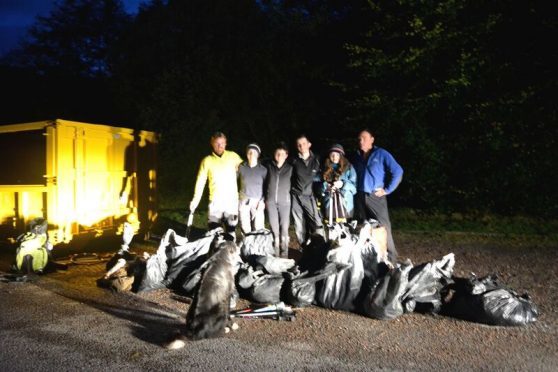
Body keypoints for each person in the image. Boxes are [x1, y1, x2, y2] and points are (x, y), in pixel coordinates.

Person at [351, 129, 403, 262]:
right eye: (359, 139)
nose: (360, 141)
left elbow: (398, 171)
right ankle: (369, 259)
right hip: (359, 196)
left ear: (372, 139)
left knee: (383, 226)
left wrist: (387, 190)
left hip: (375, 196)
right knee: (364, 227)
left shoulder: (381, 154)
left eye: (363, 138)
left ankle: (391, 259)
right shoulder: (356, 155)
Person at [189, 132, 243, 240]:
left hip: (231, 203)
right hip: (215, 203)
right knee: (215, 233)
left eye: (222, 143)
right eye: (217, 143)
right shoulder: (207, 161)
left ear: (226, 143)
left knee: (231, 232)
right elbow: (200, 182)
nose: (220, 146)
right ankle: (215, 255)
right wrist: (195, 201)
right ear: (212, 143)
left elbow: (246, 174)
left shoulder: (233, 156)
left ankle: (231, 254)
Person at [290, 135, 324, 247]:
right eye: (299, 145)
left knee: (316, 222)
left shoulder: (317, 160)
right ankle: (303, 247)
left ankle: (320, 245)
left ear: (309, 145)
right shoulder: (294, 160)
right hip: (295, 196)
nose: (301, 146)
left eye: (304, 143)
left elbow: (322, 176)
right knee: (298, 223)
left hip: (310, 196)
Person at [265, 142, 293, 257]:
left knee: (284, 226)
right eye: (277, 153)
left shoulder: (291, 168)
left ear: (286, 155)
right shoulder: (269, 167)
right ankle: (275, 249)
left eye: (282, 154)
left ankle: (285, 250)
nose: (279, 156)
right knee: (274, 226)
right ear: (274, 154)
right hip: (271, 202)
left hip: (285, 202)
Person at [321, 144, 357, 224]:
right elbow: (319, 188)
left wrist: (343, 184)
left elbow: (354, 189)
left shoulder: (349, 167)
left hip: (345, 206)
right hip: (329, 206)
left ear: (341, 155)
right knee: (331, 231)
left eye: (337, 154)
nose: (334, 157)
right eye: (332, 155)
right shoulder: (325, 167)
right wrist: (327, 187)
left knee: (345, 232)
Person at [238, 143, 267, 234]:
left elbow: (267, 187)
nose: (251, 155)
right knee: (244, 226)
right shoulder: (241, 167)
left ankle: (258, 245)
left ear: (258, 155)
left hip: (258, 201)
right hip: (244, 200)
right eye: (249, 152)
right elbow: (232, 180)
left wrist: (263, 201)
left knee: (259, 227)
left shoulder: (263, 170)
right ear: (246, 154)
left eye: (254, 153)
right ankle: (246, 245)